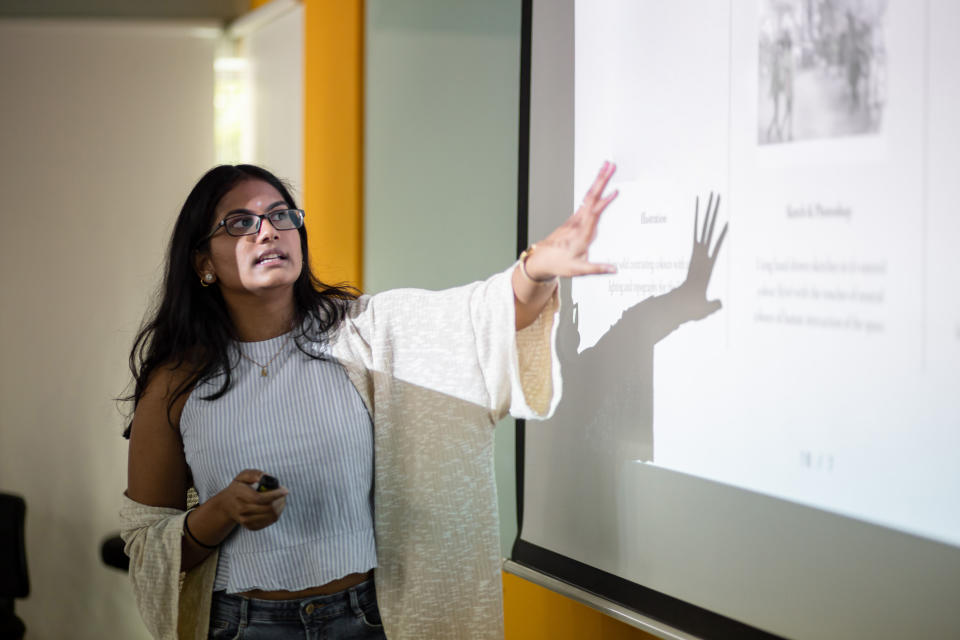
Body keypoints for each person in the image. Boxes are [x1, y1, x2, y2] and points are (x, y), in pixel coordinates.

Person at [120, 161, 619, 639]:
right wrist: (223, 509)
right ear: (204, 263)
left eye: (280, 215)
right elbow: (148, 545)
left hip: (365, 619)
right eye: (240, 223)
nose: (268, 231)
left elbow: (479, 318)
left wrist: (537, 269)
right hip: (243, 625)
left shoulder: (365, 333)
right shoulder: (176, 383)